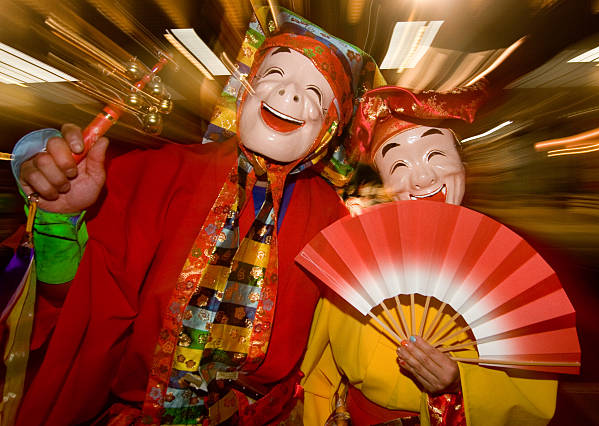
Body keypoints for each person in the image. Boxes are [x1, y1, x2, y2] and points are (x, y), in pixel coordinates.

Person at [5, 9, 384, 425]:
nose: (290, 95)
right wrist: (61, 219)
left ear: (331, 126)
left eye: (315, 92)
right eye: (274, 75)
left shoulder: (332, 219)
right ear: (245, 89)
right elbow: (75, 304)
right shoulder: (158, 174)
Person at [300, 85, 558, 425]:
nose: (422, 177)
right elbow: (321, 373)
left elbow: (532, 401)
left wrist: (459, 382)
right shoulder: (357, 259)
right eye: (399, 165)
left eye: (435, 156)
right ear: (384, 183)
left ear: (463, 165)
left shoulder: (509, 269)